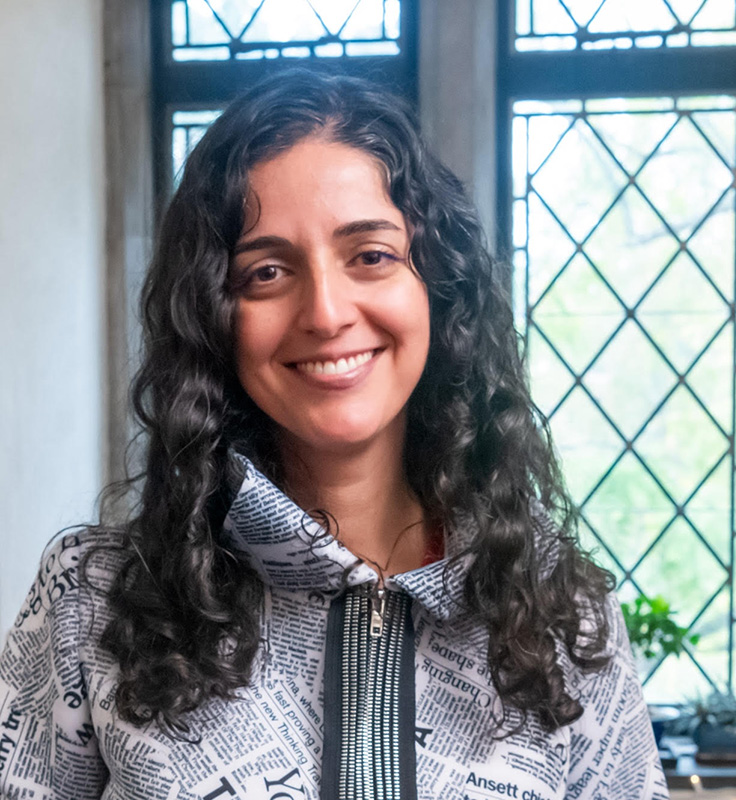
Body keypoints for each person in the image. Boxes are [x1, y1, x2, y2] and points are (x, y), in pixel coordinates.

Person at [0, 70, 667, 800]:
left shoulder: (560, 613)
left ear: (437, 287)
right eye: (266, 271)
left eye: (371, 255)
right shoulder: (90, 601)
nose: (324, 312)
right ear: (213, 317)